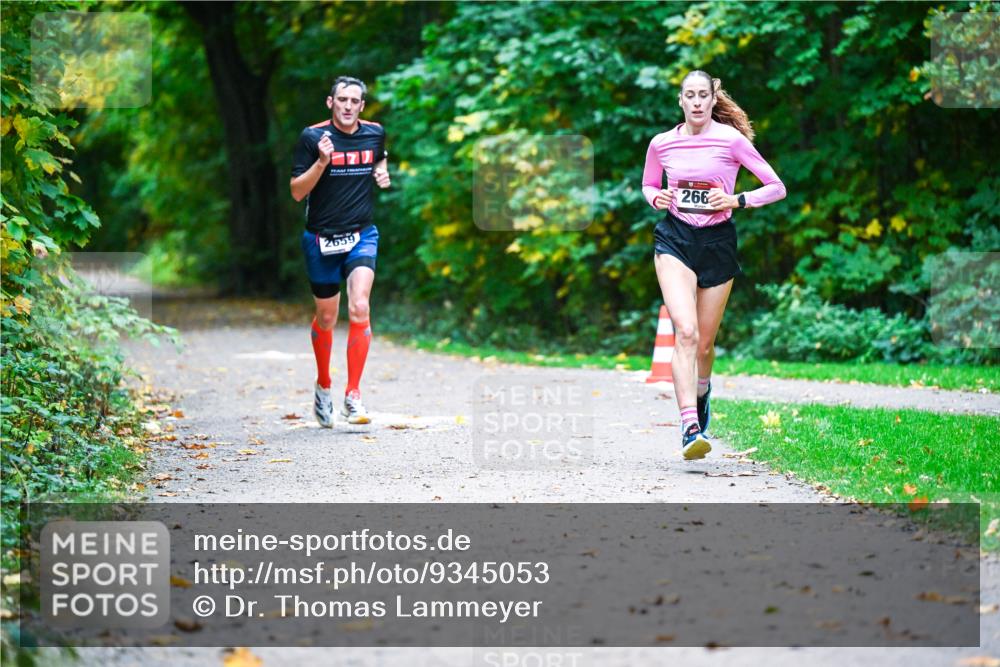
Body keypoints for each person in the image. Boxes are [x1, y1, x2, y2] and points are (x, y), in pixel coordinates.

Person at [641, 70, 786, 460]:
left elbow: (776, 187)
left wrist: (737, 201)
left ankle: (702, 390)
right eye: (690, 95)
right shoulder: (662, 144)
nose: (697, 101)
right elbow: (649, 184)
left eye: (703, 94)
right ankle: (689, 428)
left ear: (711, 98)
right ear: (681, 100)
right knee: (684, 332)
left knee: (704, 342)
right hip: (675, 238)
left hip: (718, 242)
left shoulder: (731, 140)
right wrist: (656, 198)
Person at [290, 76, 390, 427]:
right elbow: (297, 193)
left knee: (360, 305)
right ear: (330, 102)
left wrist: (382, 172)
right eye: (342, 100)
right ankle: (323, 384)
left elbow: (380, 157)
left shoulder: (375, 132)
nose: (348, 106)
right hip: (321, 239)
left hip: (362, 233)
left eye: (355, 101)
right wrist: (321, 162)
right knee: (328, 318)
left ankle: (353, 395)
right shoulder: (312, 137)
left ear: (362, 106)